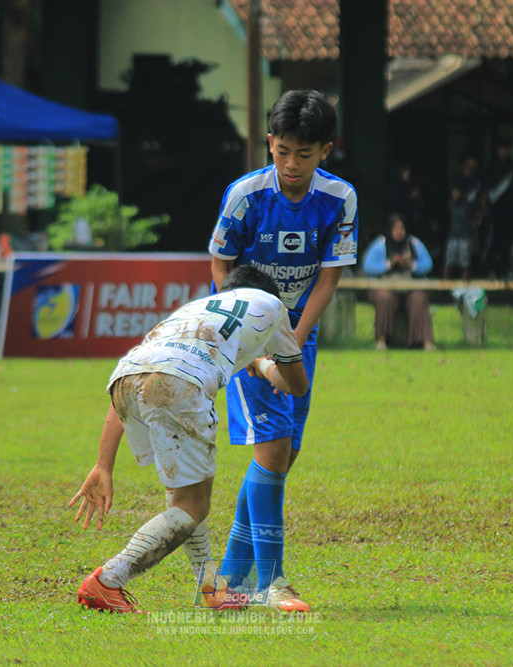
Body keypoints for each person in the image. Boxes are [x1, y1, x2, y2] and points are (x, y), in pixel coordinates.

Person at [71, 266, 309, 613]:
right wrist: (267, 366)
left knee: (180, 490)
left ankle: (212, 587)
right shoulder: (273, 305)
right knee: (192, 506)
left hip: (125, 377)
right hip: (179, 383)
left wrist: (102, 465)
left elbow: (147, 368)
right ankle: (108, 579)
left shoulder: (197, 307)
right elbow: (298, 385)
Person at [208, 89, 358, 613]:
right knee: (271, 451)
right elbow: (221, 270)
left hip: (298, 334)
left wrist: (292, 337)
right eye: (282, 152)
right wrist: (250, 342)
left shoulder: (340, 199)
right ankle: (273, 584)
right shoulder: (245, 195)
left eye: (304, 154)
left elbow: (329, 275)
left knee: (284, 455)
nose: (292, 165)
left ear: (325, 151)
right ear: (270, 143)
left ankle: (225, 584)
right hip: (244, 330)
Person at [362, 213, 435, 350]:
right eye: (396, 229)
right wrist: (390, 264)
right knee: (385, 297)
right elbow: (368, 266)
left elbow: (428, 264)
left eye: (402, 229)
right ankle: (382, 340)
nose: (399, 232)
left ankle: (425, 342)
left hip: (409, 286)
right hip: (385, 285)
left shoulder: (414, 243)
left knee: (418, 299)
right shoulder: (380, 244)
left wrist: (411, 265)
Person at [482, 137, 513, 279]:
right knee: (494, 241)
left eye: (506, 148)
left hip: (509, 209)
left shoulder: (510, 165)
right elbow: (486, 189)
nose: (504, 151)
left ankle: (506, 271)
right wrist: (485, 206)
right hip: (496, 209)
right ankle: (490, 270)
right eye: (501, 148)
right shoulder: (491, 165)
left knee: (508, 241)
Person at [443, 150, 482, 281]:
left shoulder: (468, 203)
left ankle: (463, 289)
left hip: (466, 236)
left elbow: (481, 207)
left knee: (465, 264)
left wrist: (478, 220)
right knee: (448, 263)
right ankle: (443, 289)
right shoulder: (450, 204)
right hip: (453, 236)